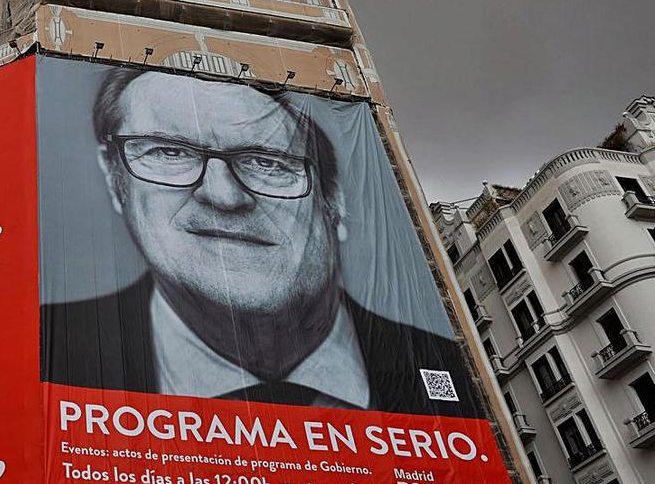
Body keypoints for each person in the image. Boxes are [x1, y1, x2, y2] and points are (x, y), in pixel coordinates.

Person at [40, 68, 479, 417]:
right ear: (115, 180)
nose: (224, 195)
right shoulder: (44, 357)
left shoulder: (450, 376)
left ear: (334, 199)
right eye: (169, 152)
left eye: (266, 162)